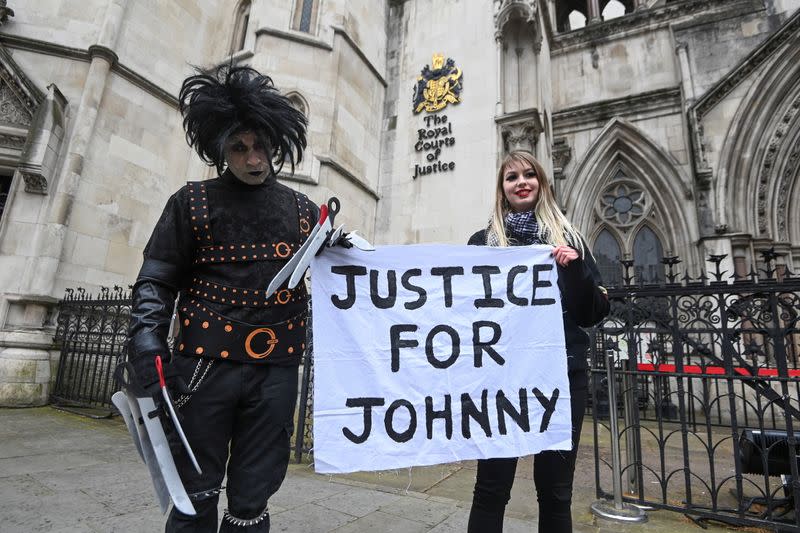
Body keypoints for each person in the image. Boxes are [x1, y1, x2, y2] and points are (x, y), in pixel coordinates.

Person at [127, 65, 318, 532]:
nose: (254, 159)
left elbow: (345, 283)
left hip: (275, 374)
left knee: (252, 501)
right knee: (195, 494)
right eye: (240, 148)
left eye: (261, 146)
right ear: (220, 150)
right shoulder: (191, 202)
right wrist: (146, 338)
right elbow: (157, 277)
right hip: (202, 370)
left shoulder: (304, 211)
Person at [466, 150, 609, 533]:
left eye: (529, 175)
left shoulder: (569, 239)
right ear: (502, 189)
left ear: (542, 184)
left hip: (561, 377)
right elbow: (465, 310)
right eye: (512, 177)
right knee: (491, 489)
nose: (522, 182)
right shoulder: (482, 243)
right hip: (501, 380)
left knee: (556, 490)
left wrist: (575, 269)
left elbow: (591, 312)